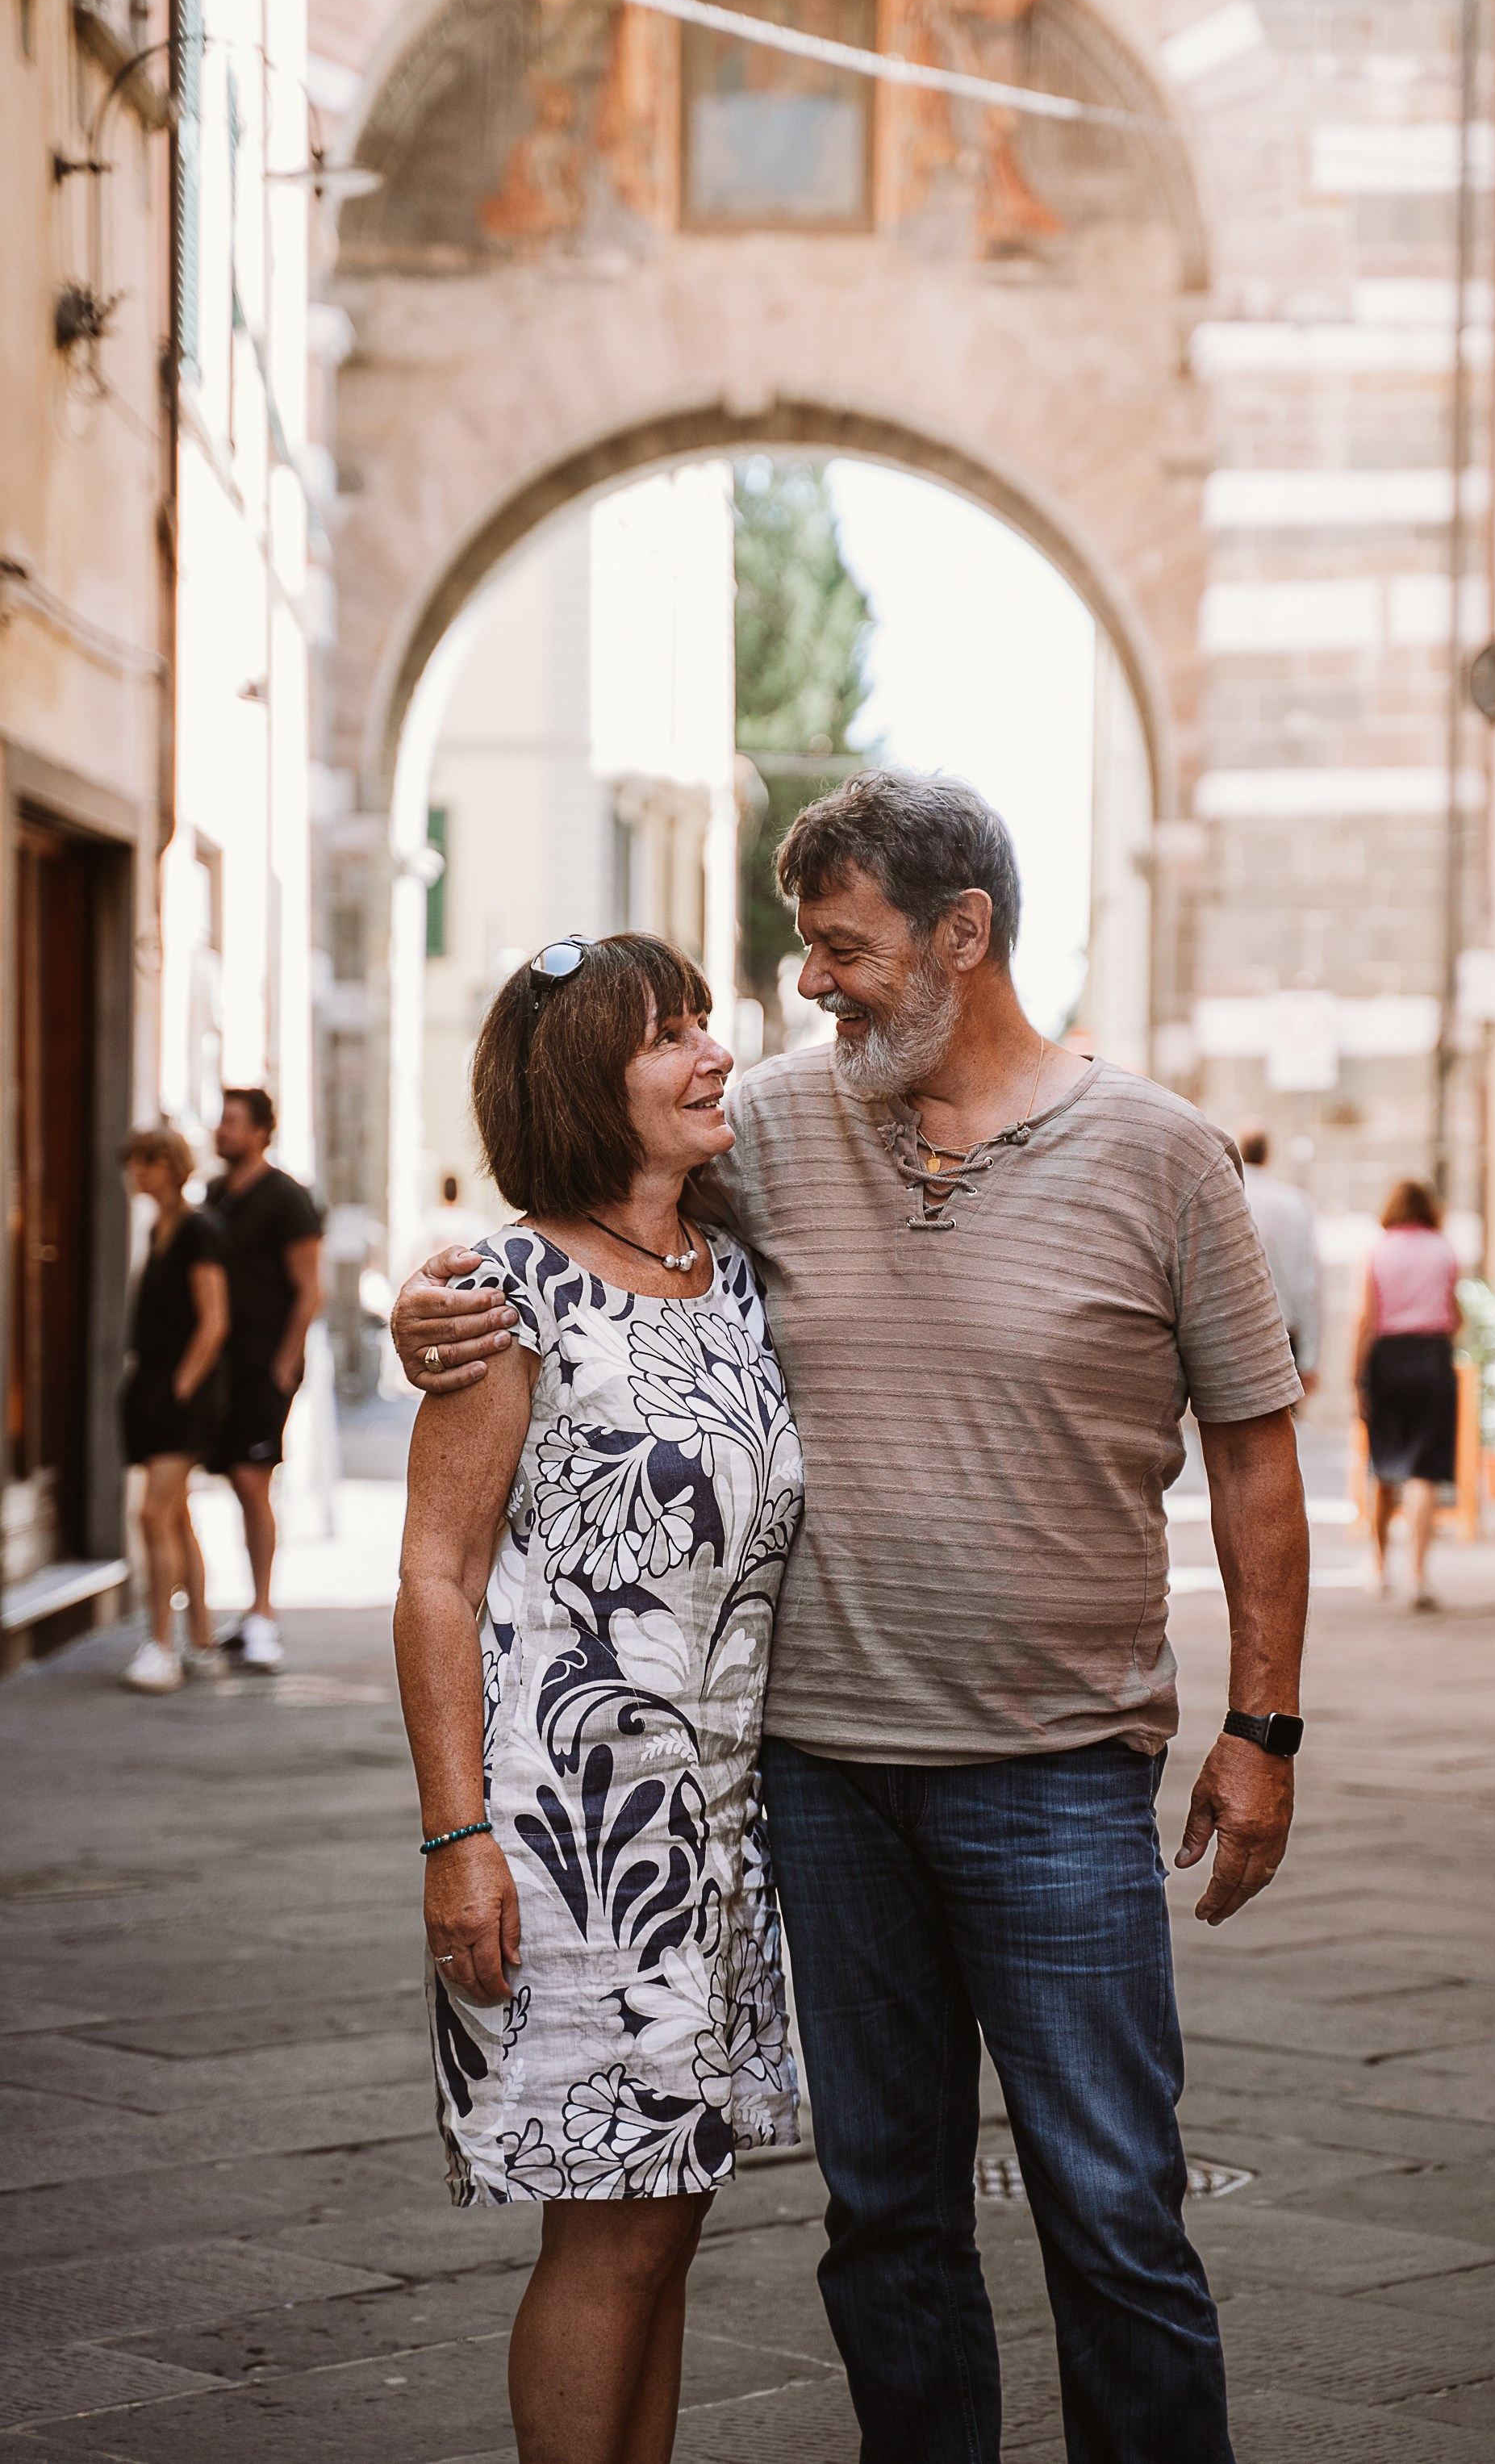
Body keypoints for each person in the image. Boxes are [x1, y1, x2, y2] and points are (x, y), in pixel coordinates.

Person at [397, 771, 1309, 2464]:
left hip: (1052, 1774)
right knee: (882, 2221)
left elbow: (1255, 1461)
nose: (804, 988)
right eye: (799, 953)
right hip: (810, 1788)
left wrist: (1264, 1727)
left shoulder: (1163, 1154)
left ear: (962, 937)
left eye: (840, 948)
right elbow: (576, 1251)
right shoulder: (777, 1133)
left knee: (1114, 2212)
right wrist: (433, 1308)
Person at [396, 933, 800, 2464]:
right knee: (609, 2232)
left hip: (723, 1837)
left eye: (708, 1022)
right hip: (568, 1839)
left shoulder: (737, 1273)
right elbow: (436, 1576)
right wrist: (455, 1840)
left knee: (670, 2215)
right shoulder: (504, 1291)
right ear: (582, 1080)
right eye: (670, 1035)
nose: (715, 1054)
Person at [206, 1088, 324, 1674]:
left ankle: (264, 1617)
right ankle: (249, 1615)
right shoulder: (215, 1195)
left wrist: (285, 1360)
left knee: (253, 1482)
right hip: (219, 1365)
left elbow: (310, 1288)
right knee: (234, 1479)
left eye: (231, 1122)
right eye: (220, 1121)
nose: (220, 1131)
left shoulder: (287, 1198)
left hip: (263, 1365)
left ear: (260, 1132)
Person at [117, 1126, 231, 1696]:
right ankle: (203, 1642)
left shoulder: (197, 1230)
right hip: (152, 1387)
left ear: (174, 1166)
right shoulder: (157, 1228)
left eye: (151, 1161)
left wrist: (181, 1387)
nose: (140, 1170)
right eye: (134, 1161)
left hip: (179, 1396)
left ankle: (161, 1645)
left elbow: (214, 1320)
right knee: (177, 1516)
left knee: (151, 1515)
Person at [1352, 1179, 1459, 1610]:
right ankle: (1417, 1576)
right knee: (1425, 1470)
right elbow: (1454, 1313)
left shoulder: (1378, 1250)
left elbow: (1365, 1318)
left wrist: (1356, 1376)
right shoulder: (1444, 1250)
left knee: (1383, 1464)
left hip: (1388, 1359)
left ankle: (1378, 1568)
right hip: (1432, 1357)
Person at [1236, 1122, 1321, 1395]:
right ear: (1267, 1155)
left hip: (1231, 1334)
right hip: (1282, 1334)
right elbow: (1308, 1284)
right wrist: (1310, 1357)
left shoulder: (1226, 1197)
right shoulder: (1295, 1203)